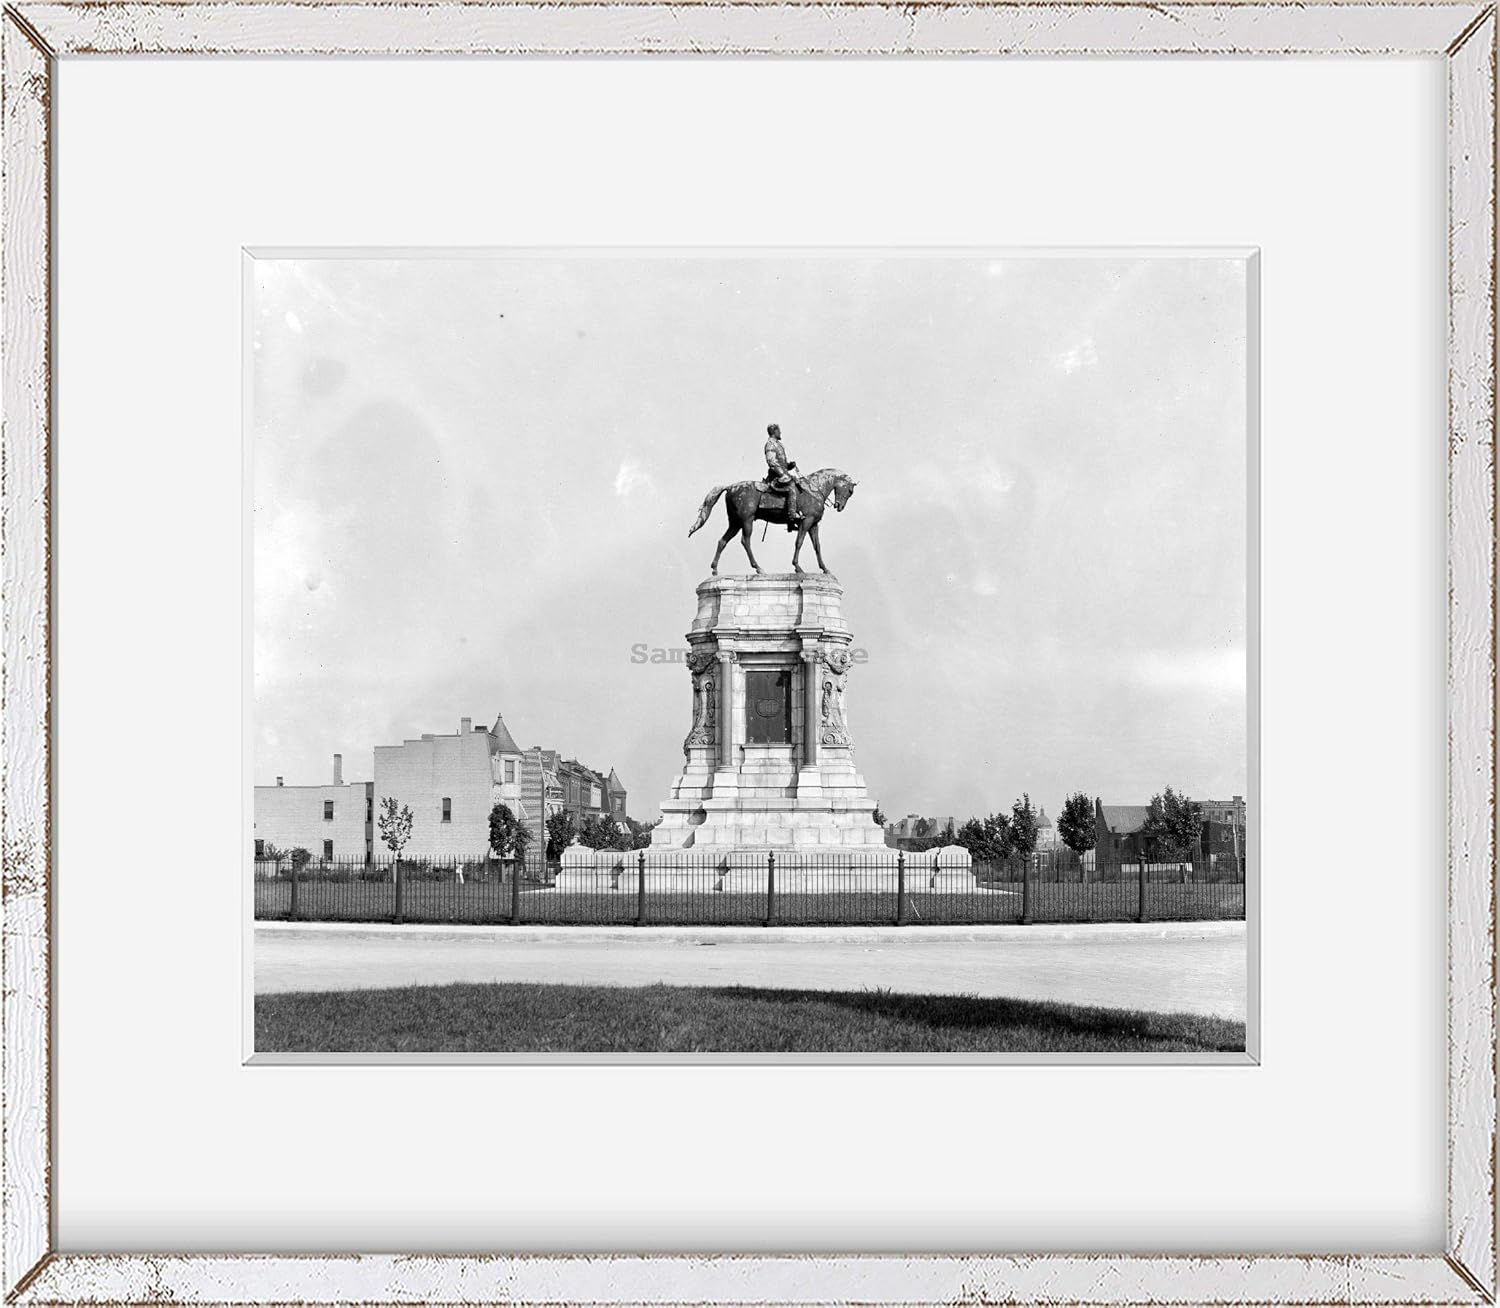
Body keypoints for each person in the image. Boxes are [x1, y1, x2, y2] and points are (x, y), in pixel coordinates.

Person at [763, 423, 810, 529]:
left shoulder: (778, 444)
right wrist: (783, 474)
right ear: (774, 432)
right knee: (791, 487)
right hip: (775, 477)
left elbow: (781, 464)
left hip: (781, 474)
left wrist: (789, 466)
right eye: (778, 430)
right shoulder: (770, 444)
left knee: (798, 484)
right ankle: (792, 515)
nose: (780, 432)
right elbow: (772, 462)